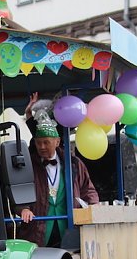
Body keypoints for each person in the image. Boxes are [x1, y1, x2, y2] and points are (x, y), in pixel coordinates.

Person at [16, 95, 99, 247]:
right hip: (37, 232)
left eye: (46, 142)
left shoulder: (74, 163)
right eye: (38, 143)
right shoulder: (28, 164)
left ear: (57, 142)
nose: (41, 147)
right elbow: (18, 189)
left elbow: (88, 189)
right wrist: (23, 209)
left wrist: (94, 206)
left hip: (68, 230)